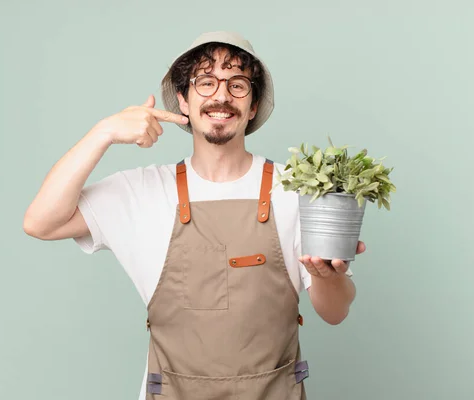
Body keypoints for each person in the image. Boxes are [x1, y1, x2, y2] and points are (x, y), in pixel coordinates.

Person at [23, 31, 365, 400]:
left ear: (252, 106)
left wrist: (328, 276)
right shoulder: (142, 192)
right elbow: (41, 222)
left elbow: (335, 312)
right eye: (206, 82)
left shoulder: (296, 190)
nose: (221, 95)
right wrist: (103, 133)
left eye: (237, 84)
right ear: (183, 100)